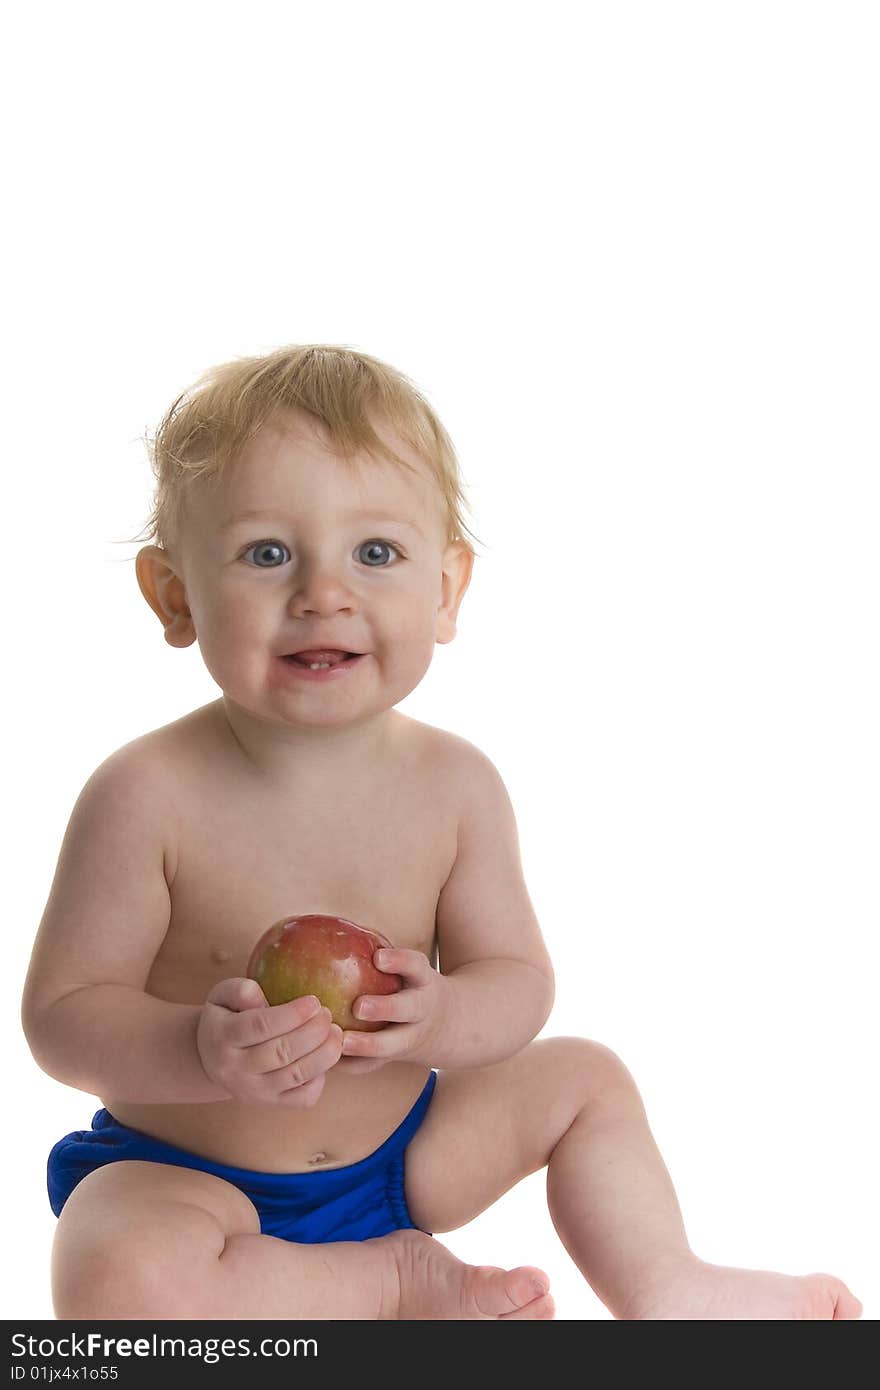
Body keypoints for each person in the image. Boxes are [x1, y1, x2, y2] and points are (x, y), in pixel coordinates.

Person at [21, 344, 862, 1321]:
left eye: (374, 553)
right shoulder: (143, 793)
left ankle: (667, 1283)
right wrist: (197, 1048)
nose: (323, 594)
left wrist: (439, 1019)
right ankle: (393, 1283)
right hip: (192, 1177)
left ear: (447, 590)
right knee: (112, 1271)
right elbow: (63, 1015)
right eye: (266, 553)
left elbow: (516, 981)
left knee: (586, 1079)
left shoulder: (456, 785)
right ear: (173, 595)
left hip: (403, 1156)